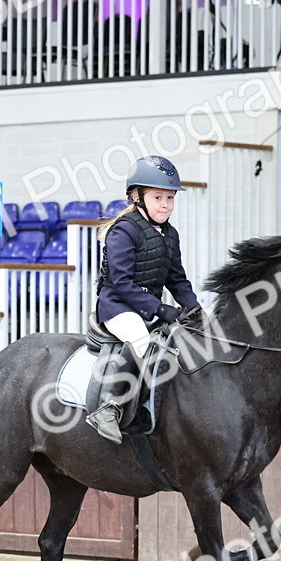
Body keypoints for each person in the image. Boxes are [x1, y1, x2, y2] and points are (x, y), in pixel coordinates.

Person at [86, 155, 200, 444]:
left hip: (147, 309)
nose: (166, 204)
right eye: (158, 197)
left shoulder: (169, 234)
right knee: (140, 340)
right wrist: (161, 309)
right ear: (137, 197)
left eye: (170, 198)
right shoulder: (123, 230)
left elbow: (176, 278)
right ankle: (108, 407)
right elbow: (122, 282)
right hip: (117, 307)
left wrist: (195, 309)